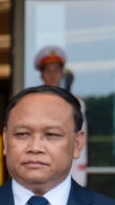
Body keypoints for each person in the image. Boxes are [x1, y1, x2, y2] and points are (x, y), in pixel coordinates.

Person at [34, 46, 88, 186]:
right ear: (41, 75)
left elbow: (80, 141)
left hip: (67, 171)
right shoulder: (31, 103)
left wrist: (78, 177)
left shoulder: (75, 103)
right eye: (48, 71)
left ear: (62, 74)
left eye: (56, 71)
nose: (52, 75)